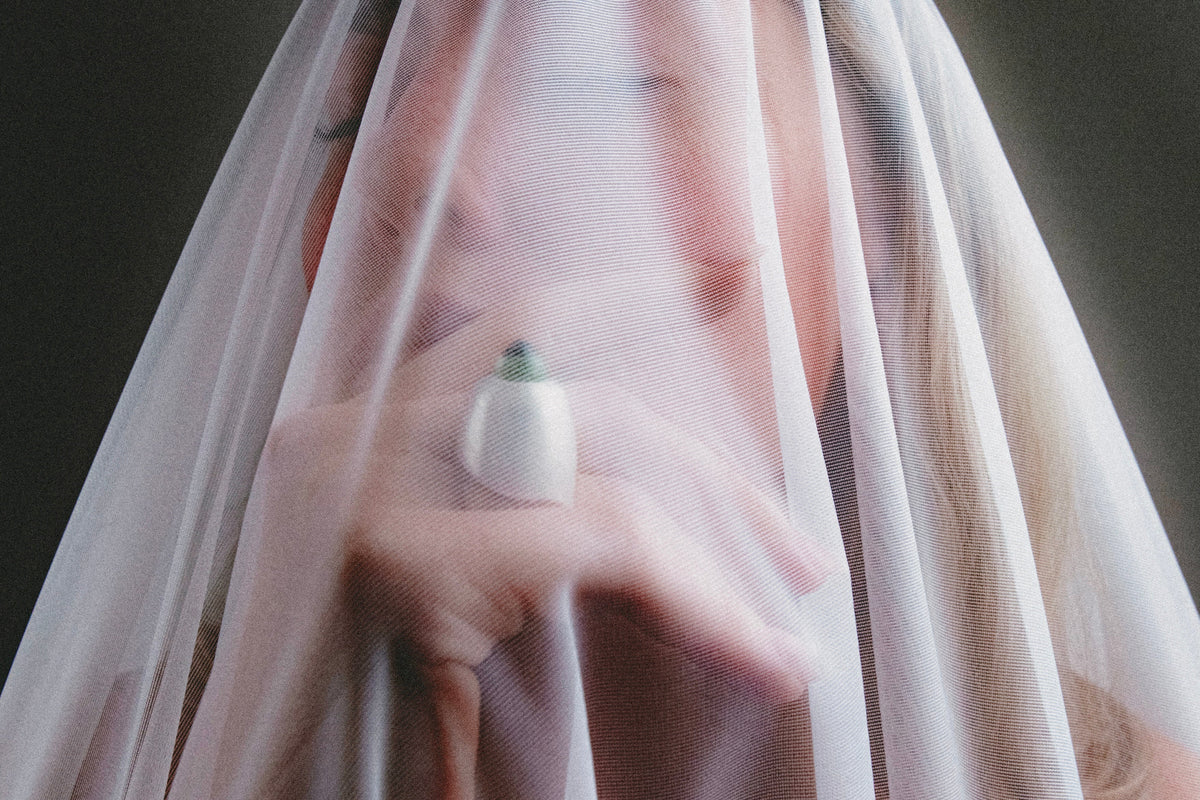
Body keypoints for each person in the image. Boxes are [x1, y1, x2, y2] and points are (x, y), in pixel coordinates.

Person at [2, 0, 1198, 798]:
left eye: (602, 79)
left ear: (869, 214)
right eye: (353, 115)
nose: (407, 171)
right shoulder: (104, 767)